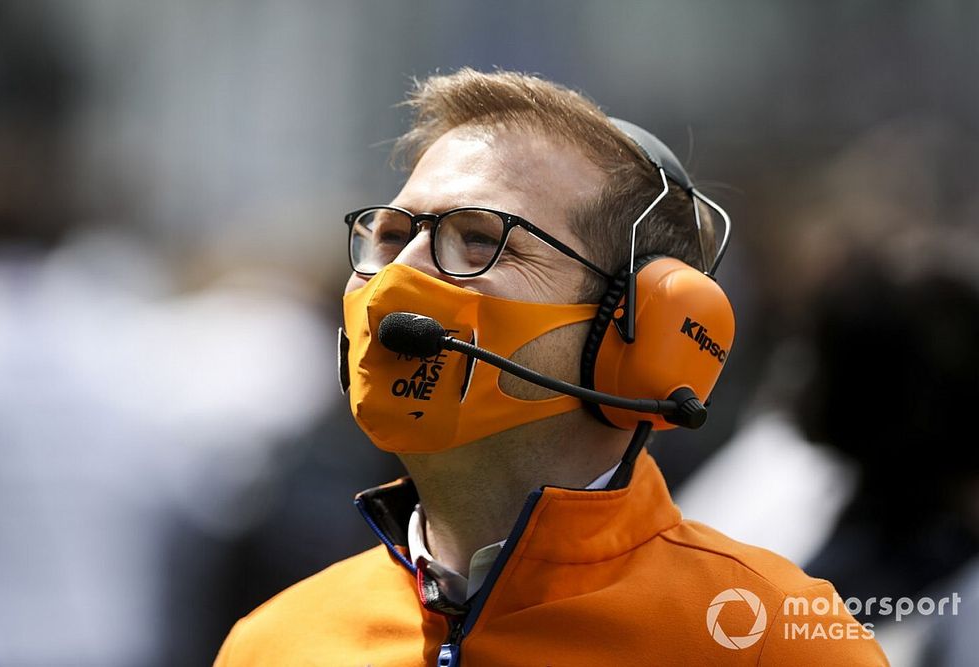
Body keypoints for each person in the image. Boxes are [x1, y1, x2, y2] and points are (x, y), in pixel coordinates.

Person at [215, 69, 887, 666]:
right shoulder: (271, 644)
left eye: (478, 238)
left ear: (640, 333)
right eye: (391, 235)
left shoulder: (774, 643)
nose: (399, 273)